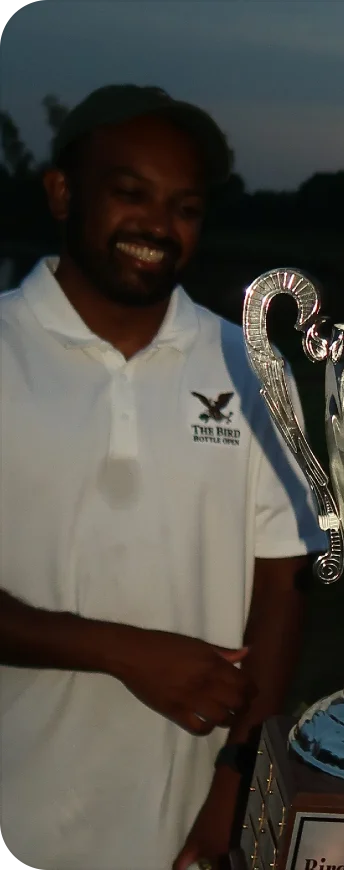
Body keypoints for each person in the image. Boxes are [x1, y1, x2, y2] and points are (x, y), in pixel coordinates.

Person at [0, 85, 324, 870]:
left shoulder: (249, 366)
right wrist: (123, 651)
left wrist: (232, 792)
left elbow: (285, 587)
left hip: (179, 827)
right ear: (62, 192)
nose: (157, 226)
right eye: (129, 193)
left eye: (185, 207)